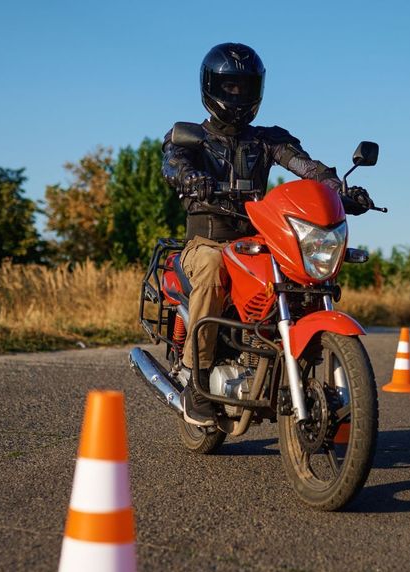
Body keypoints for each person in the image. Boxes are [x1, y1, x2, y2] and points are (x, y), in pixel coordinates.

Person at [162, 42, 371, 427]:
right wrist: (192, 179)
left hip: (258, 240)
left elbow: (305, 166)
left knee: (299, 274)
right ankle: (197, 377)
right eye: (230, 87)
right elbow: (173, 165)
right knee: (210, 266)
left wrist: (337, 189)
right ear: (212, 88)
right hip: (208, 241)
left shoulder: (267, 140)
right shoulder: (189, 136)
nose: (237, 95)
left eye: (245, 87)